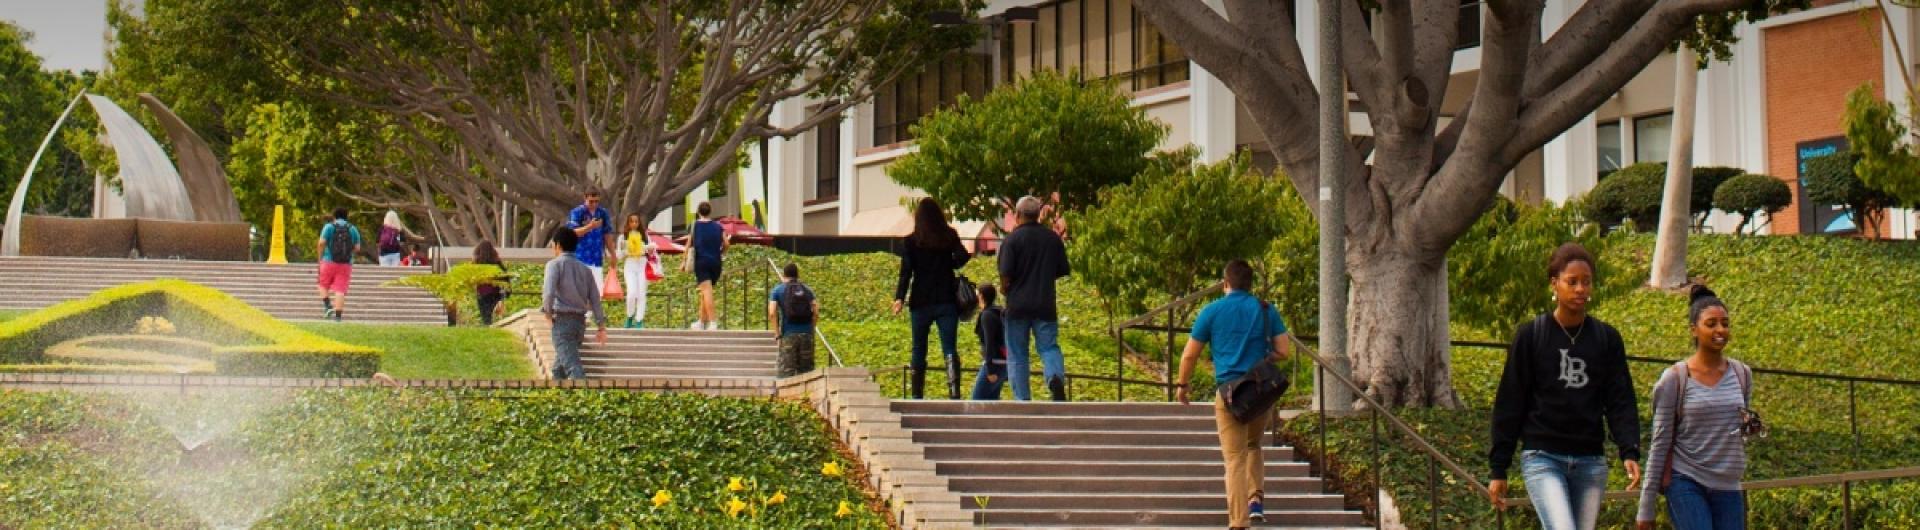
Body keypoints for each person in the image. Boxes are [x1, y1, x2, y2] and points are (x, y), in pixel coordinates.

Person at [1488, 242, 1643, 530]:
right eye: (1572, 282)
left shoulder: (1607, 338)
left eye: (1586, 282)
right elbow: (1511, 401)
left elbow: (1620, 398)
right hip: (1543, 457)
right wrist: (1499, 467)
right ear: (1554, 284)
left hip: (1590, 461)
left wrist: (1629, 450)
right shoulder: (1531, 335)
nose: (1580, 289)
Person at [1173, 260, 1291, 529]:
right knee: (1253, 445)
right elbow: (1283, 351)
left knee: (1234, 458)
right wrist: (1263, 357)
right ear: (1250, 284)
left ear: (1225, 283)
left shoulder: (1211, 311)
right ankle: (1256, 502)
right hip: (1261, 391)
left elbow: (1190, 354)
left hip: (1229, 394)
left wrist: (1182, 384)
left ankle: (1239, 522)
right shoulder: (1265, 309)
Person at [1637, 285, 1754, 530]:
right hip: (1686, 480)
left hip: (1728, 483)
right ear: (1694, 330)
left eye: (1725, 323)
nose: (1720, 330)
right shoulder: (1676, 378)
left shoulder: (1742, 374)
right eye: (1711, 324)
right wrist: (1645, 509)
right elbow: (1660, 443)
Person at [892, 197, 973, 399]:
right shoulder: (949, 236)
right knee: (949, 347)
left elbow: (906, 273)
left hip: (921, 300)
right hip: (946, 299)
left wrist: (899, 298)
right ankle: (954, 392)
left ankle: (917, 395)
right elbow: (963, 256)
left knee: (919, 347)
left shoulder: (911, 241)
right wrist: (950, 265)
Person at [997, 195, 1071, 401]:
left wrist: (1005, 289)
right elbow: (1061, 269)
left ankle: (1022, 400)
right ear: (1039, 215)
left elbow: (1005, 274)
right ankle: (1054, 377)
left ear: (1018, 215)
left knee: (1018, 353)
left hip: (1017, 306)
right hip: (1044, 304)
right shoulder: (1052, 239)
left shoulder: (1011, 240)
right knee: (1049, 347)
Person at [541, 226, 608, 380]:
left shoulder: (554, 264)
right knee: (559, 370)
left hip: (562, 322)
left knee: (573, 369)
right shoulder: (585, 270)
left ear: (558, 245)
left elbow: (549, 292)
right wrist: (601, 326)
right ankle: (560, 399)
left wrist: (547, 314)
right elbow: (595, 299)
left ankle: (585, 398)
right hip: (579, 325)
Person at [767, 262, 819, 378]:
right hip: (807, 334)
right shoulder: (807, 290)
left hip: (788, 335)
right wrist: (811, 329)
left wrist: (777, 334)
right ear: (797, 275)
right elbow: (816, 311)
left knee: (786, 373)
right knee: (807, 373)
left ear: (784, 275)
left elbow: (771, 312)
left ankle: (787, 395)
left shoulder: (778, 290)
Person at [684, 201, 729, 330]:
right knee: (705, 291)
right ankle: (701, 322)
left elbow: (688, 244)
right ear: (710, 212)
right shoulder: (718, 226)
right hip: (716, 262)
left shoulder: (695, 225)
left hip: (701, 262)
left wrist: (683, 261)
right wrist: (721, 252)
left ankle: (712, 322)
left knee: (707, 291)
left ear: (698, 212)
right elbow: (726, 243)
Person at [315, 207, 362, 322]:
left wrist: (320, 258)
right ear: (347, 216)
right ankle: (338, 317)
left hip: (328, 261)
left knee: (322, 284)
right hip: (346, 264)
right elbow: (357, 248)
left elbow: (321, 243)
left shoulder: (329, 227)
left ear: (334, 216)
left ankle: (327, 306)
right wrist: (348, 252)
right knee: (340, 290)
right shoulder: (353, 229)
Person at [567, 190, 616, 291]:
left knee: (597, 291)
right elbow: (573, 233)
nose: (594, 204)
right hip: (580, 258)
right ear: (585, 198)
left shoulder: (602, 213)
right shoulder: (577, 212)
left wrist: (613, 254)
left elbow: (607, 234)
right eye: (591, 201)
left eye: (596, 201)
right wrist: (590, 226)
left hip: (597, 257)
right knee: (581, 291)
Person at [616, 213, 658, 329]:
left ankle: (639, 319)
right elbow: (618, 255)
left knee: (641, 294)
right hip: (630, 265)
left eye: (636, 221)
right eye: (632, 221)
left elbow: (651, 251)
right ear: (628, 223)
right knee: (631, 293)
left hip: (642, 264)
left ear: (639, 223)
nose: (634, 224)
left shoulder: (644, 236)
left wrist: (649, 248)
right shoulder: (623, 237)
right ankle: (629, 316)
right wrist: (625, 250)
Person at [969, 285, 1008, 400]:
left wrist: (990, 369)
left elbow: (989, 342)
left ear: (981, 296)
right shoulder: (999, 313)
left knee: (976, 402)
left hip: (993, 364)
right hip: (1003, 363)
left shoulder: (987, 315)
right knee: (992, 402)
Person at [473, 241, 510, 326]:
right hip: (495, 293)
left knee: (486, 317)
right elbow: (505, 278)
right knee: (495, 315)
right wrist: (506, 293)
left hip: (482, 294)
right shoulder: (497, 264)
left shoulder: (477, 264)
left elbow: (473, 279)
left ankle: (487, 328)